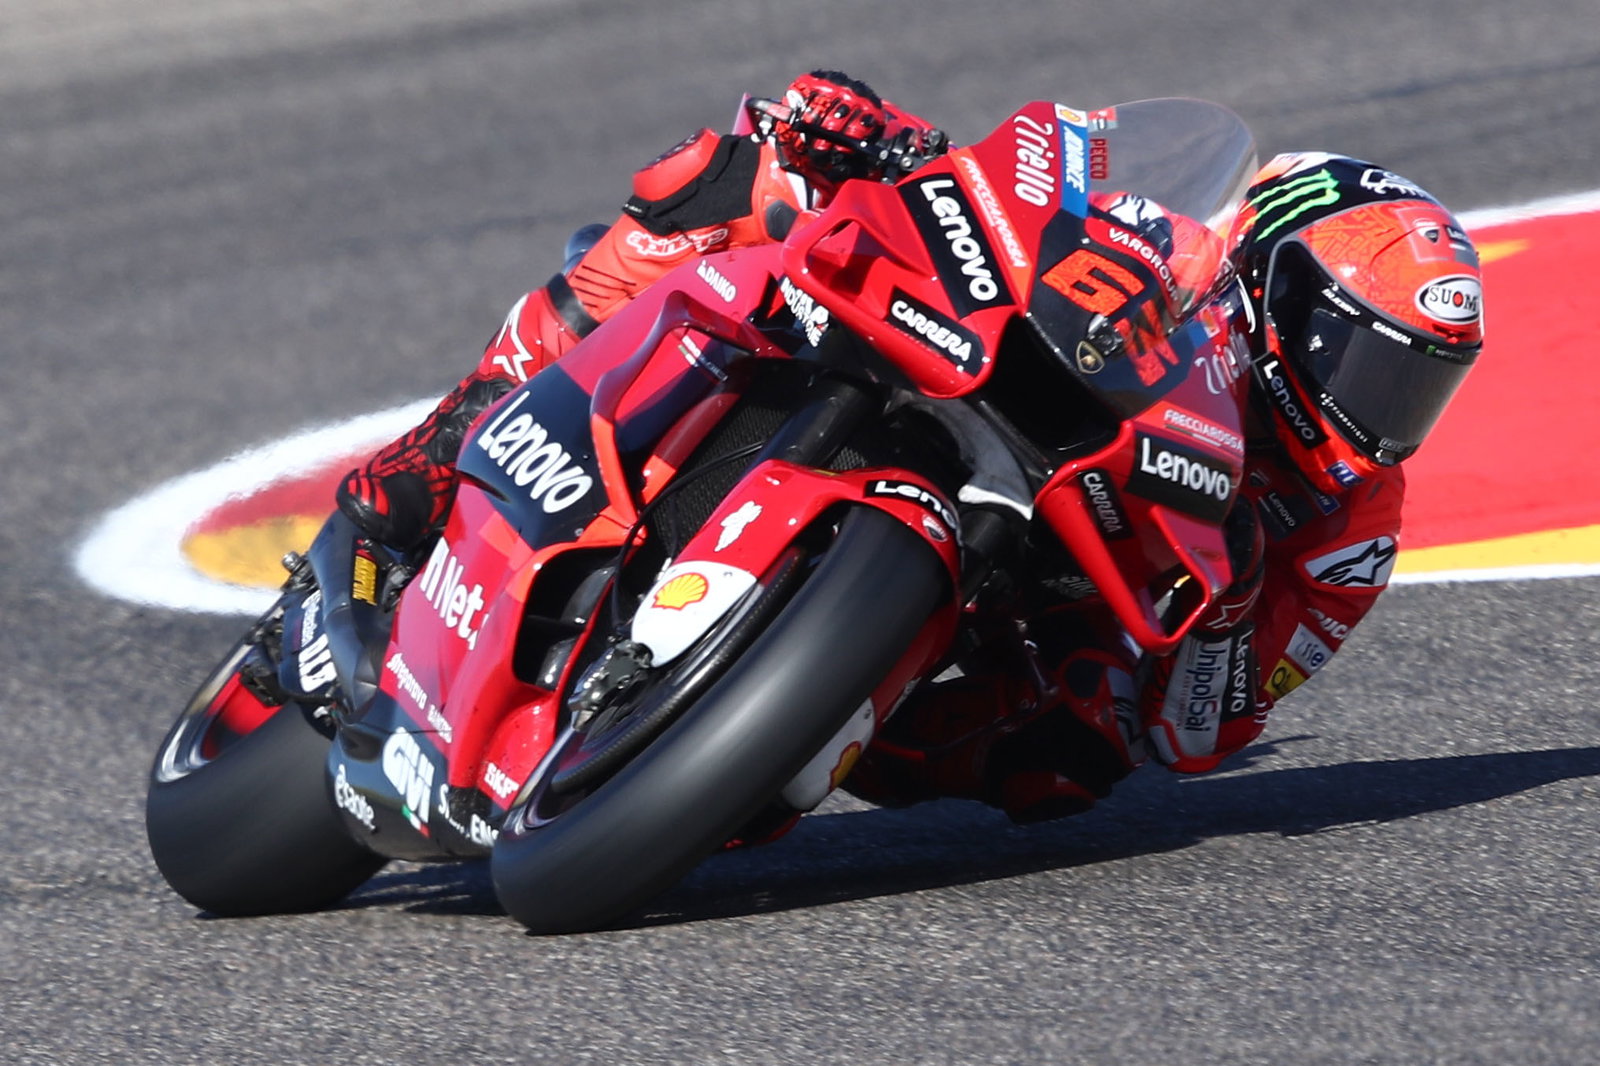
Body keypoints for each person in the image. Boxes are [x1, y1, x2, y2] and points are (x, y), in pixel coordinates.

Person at [845, 151, 1486, 823]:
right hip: (973, 407)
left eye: (1416, 387)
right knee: (780, 213)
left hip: (1079, 591)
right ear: (1284, 295)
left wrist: (1228, 610)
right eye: (1369, 365)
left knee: (1087, 740)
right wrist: (900, 153)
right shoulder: (1161, 242)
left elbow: (1201, 736)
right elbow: (982, 217)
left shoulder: (1355, 538)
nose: (1386, 410)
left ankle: (825, 741)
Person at [336, 70, 945, 549]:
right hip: (701, 318)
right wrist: (824, 158)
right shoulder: (772, 170)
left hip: (817, 380)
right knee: (719, 181)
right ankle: (442, 444)